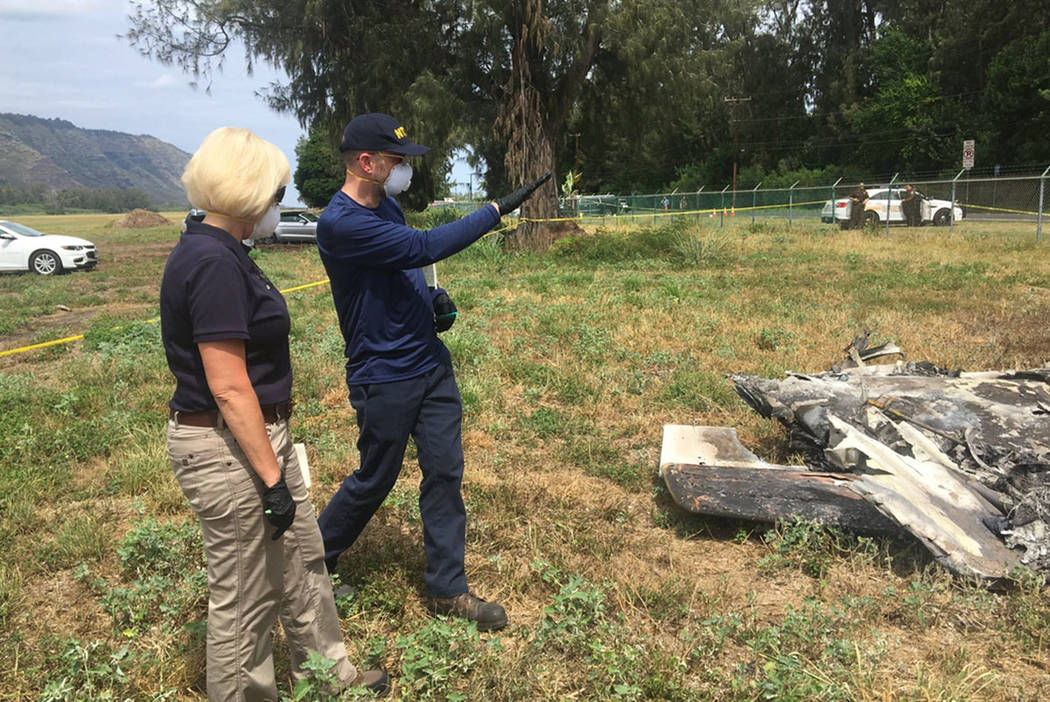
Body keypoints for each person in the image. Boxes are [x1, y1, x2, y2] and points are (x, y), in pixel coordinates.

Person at [160, 127, 388, 701]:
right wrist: (270, 479)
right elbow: (230, 386)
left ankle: (330, 677)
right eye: (277, 193)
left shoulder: (224, 251)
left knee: (302, 562)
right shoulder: (212, 262)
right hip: (229, 448)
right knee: (246, 594)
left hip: (258, 438)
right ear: (248, 192)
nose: (277, 205)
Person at [315, 113, 548, 631]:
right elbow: (422, 248)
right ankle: (313, 562)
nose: (404, 170)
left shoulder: (388, 205)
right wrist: (494, 209)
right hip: (385, 374)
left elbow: (408, 268)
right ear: (366, 162)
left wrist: (430, 299)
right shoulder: (341, 223)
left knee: (445, 472)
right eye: (397, 161)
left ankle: (448, 589)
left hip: (429, 365)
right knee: (376, 476)